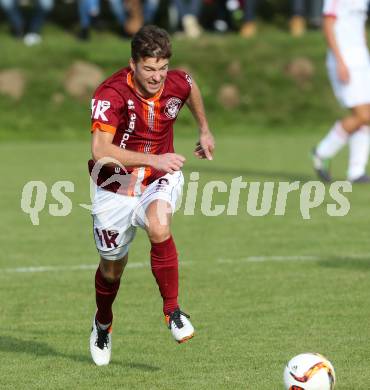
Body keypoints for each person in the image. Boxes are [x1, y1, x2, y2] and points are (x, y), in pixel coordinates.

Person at [88, 25, 215, 366]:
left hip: (160, 177)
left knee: (159, 226)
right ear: (133, 64)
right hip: (114, 185)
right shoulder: (110, 94)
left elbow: (190, 86)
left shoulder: (175, 80)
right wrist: (153, 157)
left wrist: (204, 129)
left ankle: (172, 310)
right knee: (112, 269)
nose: (157, 77)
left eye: (162, 68)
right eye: (149, 69)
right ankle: (103, 322)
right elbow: (101, 150)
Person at [312, 0, 370, 183]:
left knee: (366, 115)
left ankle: (356, 171)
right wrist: (339, 60)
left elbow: (357, 27)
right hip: (345, 59)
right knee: (363, 115)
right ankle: (321, 152)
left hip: (361, 59)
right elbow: (328, 25)